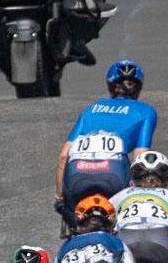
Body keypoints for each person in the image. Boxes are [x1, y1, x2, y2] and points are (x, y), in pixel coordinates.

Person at [55, 61, 159, 211]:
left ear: (110, 87)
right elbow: (140, 157)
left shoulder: (92, 109)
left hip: (77, 172)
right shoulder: (147, 111)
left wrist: (60, 198)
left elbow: (64, 156)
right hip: (114, 172)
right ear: (139, 89)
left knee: (73, 215)